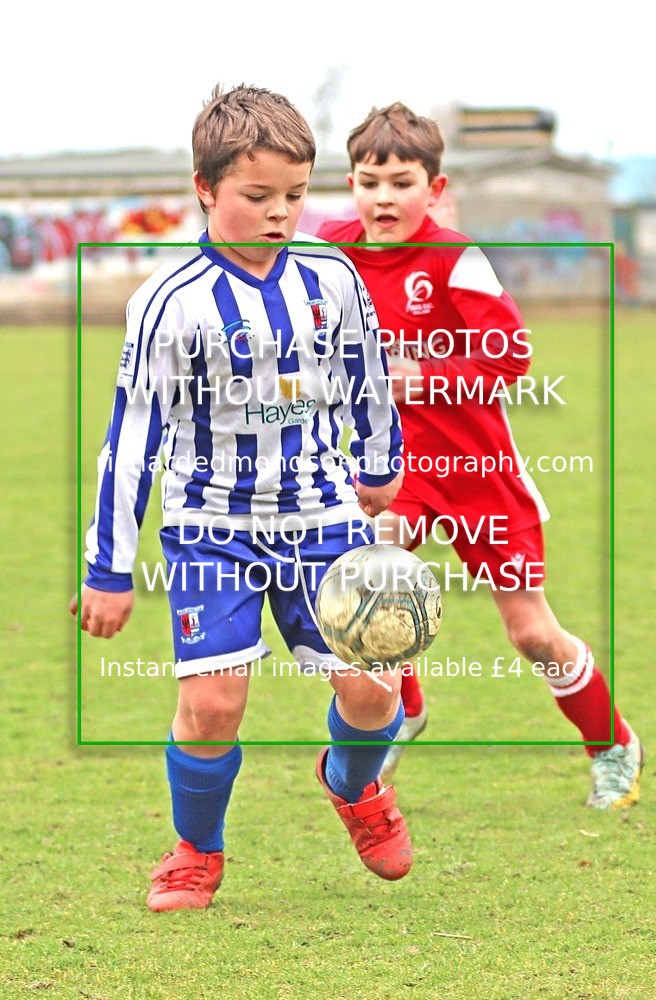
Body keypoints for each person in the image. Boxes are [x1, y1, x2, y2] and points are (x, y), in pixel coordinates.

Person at [71, 85, 413, 912]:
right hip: (210, 529)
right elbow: (132, 440)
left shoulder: (333, 276)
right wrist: (109, 569)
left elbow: (365, 375)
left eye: (294, 196)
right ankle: (197, 851)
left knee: (376, 692)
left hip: (323, 518)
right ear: (205, 187)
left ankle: (355, 786)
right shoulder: (168, 301)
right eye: (257, 197)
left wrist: (378, 465)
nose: (279, 214)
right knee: (214, 702)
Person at [318, 102, 643, 808]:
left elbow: (512, 357)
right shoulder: (329, 251)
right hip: (394, 473)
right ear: (350, 184)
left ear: (433, 190)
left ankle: (611, 743)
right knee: (361, 588)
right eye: (369, 182)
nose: (383, 198)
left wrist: (422, 374)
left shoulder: (454, 257)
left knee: (531, 633)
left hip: (478, 473)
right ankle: (404, 708)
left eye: (401, 182)